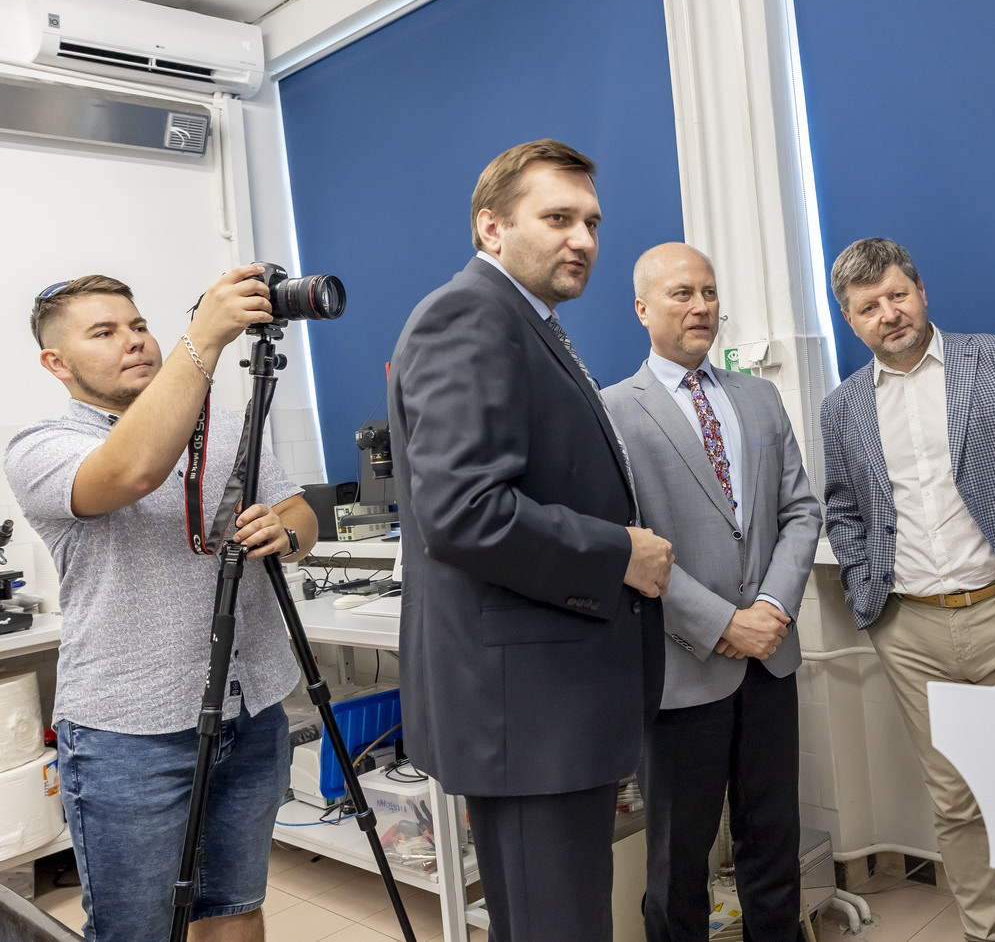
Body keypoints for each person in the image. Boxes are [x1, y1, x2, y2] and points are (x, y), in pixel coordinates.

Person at [388, 139, 674, 941]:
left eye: (592, 222)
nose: (582, 239)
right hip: (529, 714)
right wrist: (621, 553)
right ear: (492, 227)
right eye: (557, 218)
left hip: (547, 705)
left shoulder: (526, 321)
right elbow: (465, 511)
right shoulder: (471, 316)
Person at [3, 270, 318, 942]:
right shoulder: (42, 447)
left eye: (139, 325)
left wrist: (285, 531)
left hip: (250, 706)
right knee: (138, 928)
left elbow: (300, 512)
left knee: (234, 904)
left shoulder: (227, 428)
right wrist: (203, 338)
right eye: (104, 332)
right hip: (131, 732)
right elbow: (134, 469)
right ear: (56, 363)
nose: (134, 341)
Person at [819, 238, 995, 942]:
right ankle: (985, 933)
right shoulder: (842, 407)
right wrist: (868, 596)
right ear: (850, 320)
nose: (888, 314)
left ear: (921, 290)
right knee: (956, 800)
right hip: (910, 629)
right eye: (869, 307)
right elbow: (843, 509)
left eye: (897, 295)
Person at [602, 244, 821, 942]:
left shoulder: (759, 398)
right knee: (677, 863)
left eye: (709, 292)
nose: (700, 307)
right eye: (681, 294)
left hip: (770, 661)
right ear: (643, 309)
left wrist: (772, 610)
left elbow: (801, 512)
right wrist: (724, 623)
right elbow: (625, 547)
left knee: (773, 844)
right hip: (679, 670)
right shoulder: (612, 413)